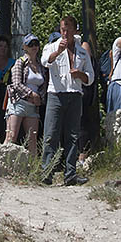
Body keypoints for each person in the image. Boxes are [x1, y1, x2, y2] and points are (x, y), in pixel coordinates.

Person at [40, 16, 95, 186]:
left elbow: (91, 77)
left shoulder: (82, 51)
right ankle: (46, 173)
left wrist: (80, 75)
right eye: (63, 29)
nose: (65, 33)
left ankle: (70, 174)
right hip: (56, 94)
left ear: (75, 30)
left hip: (75, 94)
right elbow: (44, 61)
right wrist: (57, 52)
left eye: (68, 29)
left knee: (72, 136)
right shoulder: (51, 46)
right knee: (51, 134)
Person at [4, 33, 47, 156]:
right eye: (30, 44)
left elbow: (43, 84)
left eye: (36, 44)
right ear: (24, 47)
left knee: (32, 139)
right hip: (18, 103)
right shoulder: (20, 62)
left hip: (33, 106)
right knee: (11, 136)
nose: (34, 47)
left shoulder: (41, 65)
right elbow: (16, 83)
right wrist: (31, 94)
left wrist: (39, 98)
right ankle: (3, 164)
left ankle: (32, 166)